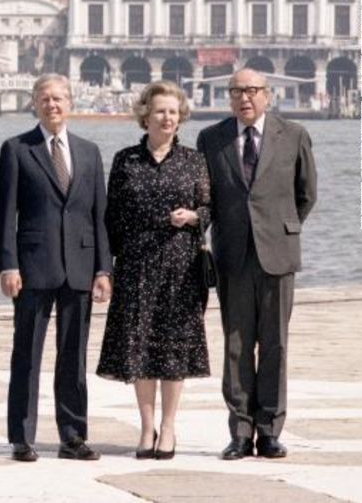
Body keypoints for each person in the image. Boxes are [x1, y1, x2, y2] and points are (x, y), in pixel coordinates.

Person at [197, 68, 317, 461]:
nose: (244, 98)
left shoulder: (293, 135)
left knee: (275, 345)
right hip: (232, 254)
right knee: (235, 345)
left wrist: (282, 228)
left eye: (251, 91)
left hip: (277, 253)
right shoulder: (211, 138)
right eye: (236, 92)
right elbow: (206, 197)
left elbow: (306, 194)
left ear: (268, 95)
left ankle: (269, 430)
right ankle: (240, 432)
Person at [0, 73, 112, 462]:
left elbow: (99, 217)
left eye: (60, 98)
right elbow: (5, 214)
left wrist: (103, 270)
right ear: (34, 103)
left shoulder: (89, 152)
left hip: (79, 267)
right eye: (45, 99)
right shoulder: (16, 149)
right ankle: (22, 436)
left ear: (70, 103)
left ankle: (73, 435)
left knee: (73, 356)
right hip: (31, 267)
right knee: (26, 354)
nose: (53, 105)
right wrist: (8, 264)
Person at [96, 80, 211, 460]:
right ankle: (147, 428)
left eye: (173, 112)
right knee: (140, 347)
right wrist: (105, 269)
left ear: (181, 118)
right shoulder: (125, 160)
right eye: (159, 111)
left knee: (174, 349)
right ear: (145, 115)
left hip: (181, 267)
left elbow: (211, 210)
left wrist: (194, 216)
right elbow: (111, 216)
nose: (166, 118)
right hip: (136, 265)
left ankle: (170, 428)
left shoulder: (194, 160)